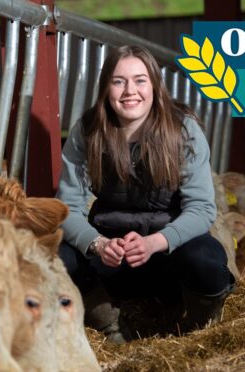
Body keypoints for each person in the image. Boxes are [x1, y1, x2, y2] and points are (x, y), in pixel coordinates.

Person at [56, 45, 235, 343]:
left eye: (140, 80)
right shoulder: (88, 131)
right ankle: (108, 325)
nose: (130, 91)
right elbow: (67, 207)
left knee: (206, 261)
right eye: (118, 81)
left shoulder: (183, 129)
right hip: (112, 254)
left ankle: (197, 329)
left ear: (154, 85)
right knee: (58, 257)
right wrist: (98, 244)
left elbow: (202, 209)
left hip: (169, 250)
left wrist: (155, 242)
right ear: (105, 87)